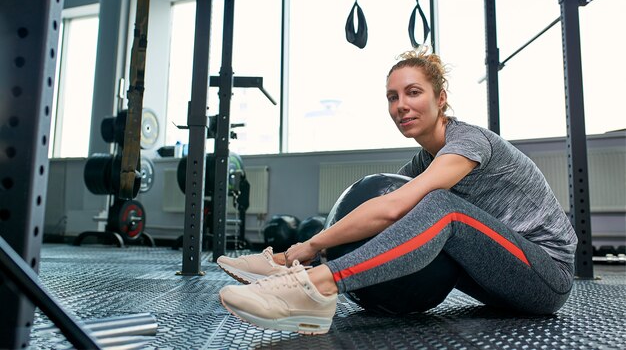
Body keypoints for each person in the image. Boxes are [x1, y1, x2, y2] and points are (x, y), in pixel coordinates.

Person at [217, 48, 578, 335]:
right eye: (393, 96)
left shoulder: (469, 142)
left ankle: (315, 288)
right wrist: (294, 254)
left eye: (414, 92)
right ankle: (285, 268)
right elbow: (381, 208)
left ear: (441, 98)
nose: (401, 105)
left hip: (547, 278)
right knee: (414, 210)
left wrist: (312, 246)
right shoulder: (425, 160)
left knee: (442, 208)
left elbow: (393, 207)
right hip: (496, 283)